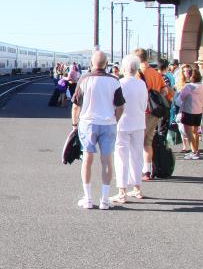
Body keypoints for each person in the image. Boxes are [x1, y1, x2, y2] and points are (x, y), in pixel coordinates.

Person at [71, 51, 125, 210]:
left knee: (87, 159)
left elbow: (75, 105)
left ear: (91, 63)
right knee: (107, 160)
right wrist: (115, 119)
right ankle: (105, 200)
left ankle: (88, 198)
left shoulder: (84, 79)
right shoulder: (114, 81)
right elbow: (120, 106)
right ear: (106, 64)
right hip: (108, 123)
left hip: (88, 123)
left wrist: (74, 124)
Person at [112, 54, 147, 203]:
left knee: (121, 156)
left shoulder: (119, 83)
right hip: (139, 123)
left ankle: (122, 191)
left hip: (122, 123)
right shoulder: (142, 84)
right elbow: (144, 105)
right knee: (137, 155)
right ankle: (137, 188)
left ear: (124, 68)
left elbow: (115, 104)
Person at [134, 49, 168, 181]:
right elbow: (165, 90)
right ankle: (147, 170)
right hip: (155, 112)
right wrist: (156, 96)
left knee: (137, 142)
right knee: (148, 142)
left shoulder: (138, 73)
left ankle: (137, 171)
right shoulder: (155, 73)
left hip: (143, 112)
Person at [178, 69, 203, 160]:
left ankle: (194, 152)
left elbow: (180, 99)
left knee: (188, 133)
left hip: (188, 111)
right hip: (198, 111)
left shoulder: (188, 87)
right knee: (195, 132)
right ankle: (195, 150)